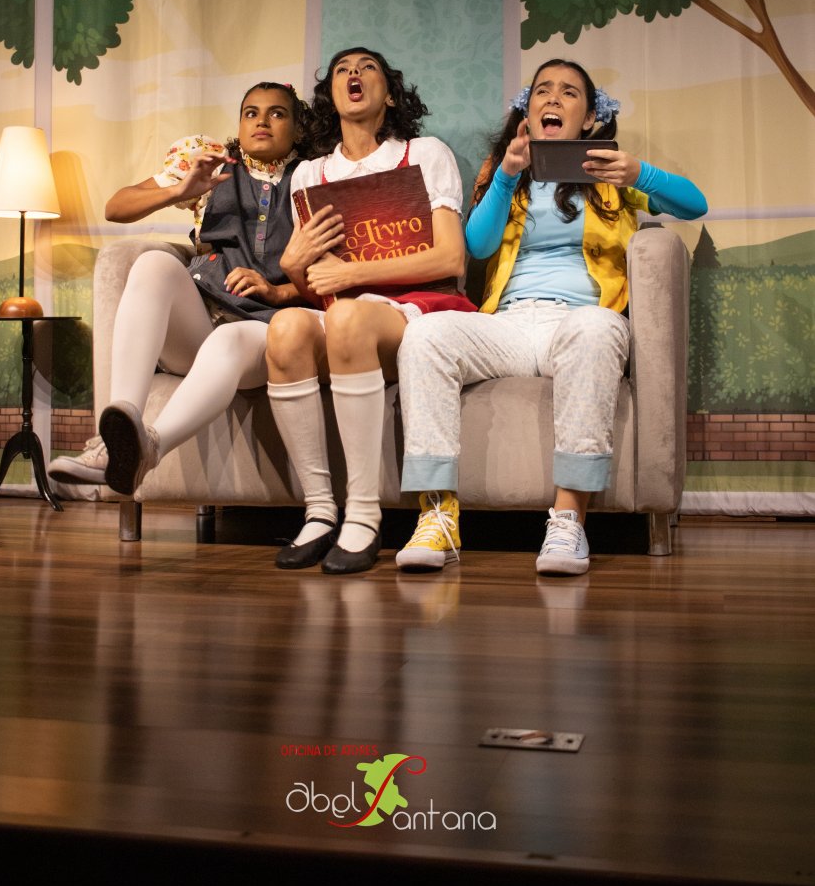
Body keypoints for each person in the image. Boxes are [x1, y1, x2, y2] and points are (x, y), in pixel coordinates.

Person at [395, 58, 708, 577]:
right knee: (425, 333)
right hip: (510, 325)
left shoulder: (612, 176)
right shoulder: (509, 176)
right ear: (528, 111)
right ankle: (438, 517)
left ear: (590, 118)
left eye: (569, 92)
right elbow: (478, 245)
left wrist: (639, 173)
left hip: (580, 320)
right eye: (542, 90)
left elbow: (694, 205)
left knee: (597, 327)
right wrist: (505, 175)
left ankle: (567, 520)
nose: (553, 99)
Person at [266, 47, 476, 575]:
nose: (354, 74)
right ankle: (319, 511)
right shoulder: (309, 174)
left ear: (390, 95)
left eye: (367, 68)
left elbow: (451, 258)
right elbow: (316, 283)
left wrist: (354, 275)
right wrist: (292, 266)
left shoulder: (424, 153)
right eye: (342, 70)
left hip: (418, 305)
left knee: (348, 315)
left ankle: (363, 514)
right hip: (343, 313)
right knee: (286, 327)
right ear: (331, 96)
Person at [47, 82, 311, 496]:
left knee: (227, 339)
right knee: (153, 263)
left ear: (297, 128)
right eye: (251, 112)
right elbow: (116, 208)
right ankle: (114, 440)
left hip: (263, 332)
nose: (261, 121)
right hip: (201, 322)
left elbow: (334, 273)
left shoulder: (314, 176)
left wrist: (277, 289)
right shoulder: (210, 165)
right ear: (239, 125)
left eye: (277, 113)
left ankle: (150, 448)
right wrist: (179, 191)